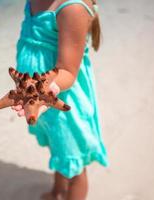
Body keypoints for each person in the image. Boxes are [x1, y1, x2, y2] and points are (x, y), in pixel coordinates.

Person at [11, 0, 109, 199]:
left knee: (74, 164)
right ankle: (58, 191)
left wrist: (42, 92)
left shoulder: (72, 8)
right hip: (40, 101)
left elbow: (67, 71)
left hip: (63, 102)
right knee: (59, 147)